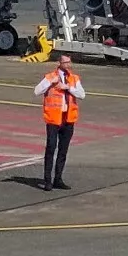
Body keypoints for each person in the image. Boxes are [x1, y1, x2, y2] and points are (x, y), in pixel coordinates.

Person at [33, 55, 84, 192]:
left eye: (69, 62)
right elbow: (37, 90)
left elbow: (82, 94)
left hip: (68, 119)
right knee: (50, 148)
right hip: (53, 118)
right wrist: (50, 83)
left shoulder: (74, 78)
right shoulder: (50, 76)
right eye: (65, 62)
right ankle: (47, 180)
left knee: (63, 150)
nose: (68, 65)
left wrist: (68, 87)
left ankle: (58, 179)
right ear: (59, 63)